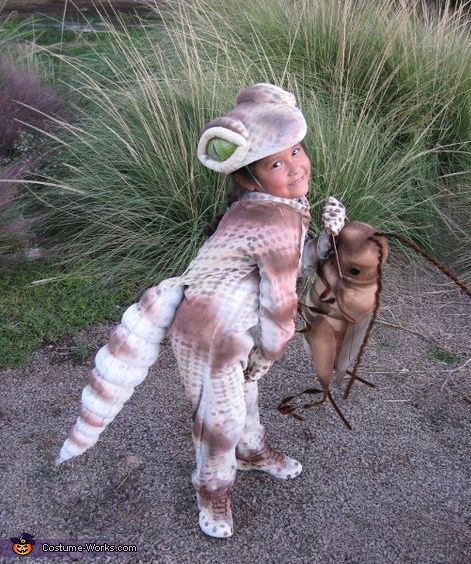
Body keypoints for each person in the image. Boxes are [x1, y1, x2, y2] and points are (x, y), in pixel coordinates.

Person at [55, 83, 345, 540]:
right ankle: (211, 486)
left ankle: (250, 452)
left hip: (232, 324)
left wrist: (326, 243)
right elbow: (280, 302)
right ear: (249, 177)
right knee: (219, 418)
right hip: (209, 334)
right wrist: (267, 356)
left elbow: (288, 265)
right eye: (276, 162)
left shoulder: (275, 206)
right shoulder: (270, 217)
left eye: (296, 151)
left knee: (242, 397)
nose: (295, 167)